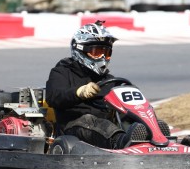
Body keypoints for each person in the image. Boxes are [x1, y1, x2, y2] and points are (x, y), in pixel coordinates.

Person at [45, 20, 148, 149]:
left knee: (133, 117)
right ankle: (121, 142)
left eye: (107, 53)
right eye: (97, 52)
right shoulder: (62, 72)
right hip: (73, 125)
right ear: (81, 50)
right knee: (91, 120)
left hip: (104, 126)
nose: (102, 57)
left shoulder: (108, 79)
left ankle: (155, 136)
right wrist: (79, 93)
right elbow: (53, 97)